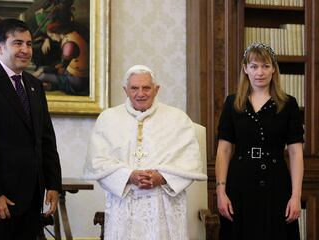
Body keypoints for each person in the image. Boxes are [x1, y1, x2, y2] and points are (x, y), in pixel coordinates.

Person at [0, 18, 62, 240]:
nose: (26, 50)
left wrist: (53, 184)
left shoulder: (34, 85)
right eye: (18, 43)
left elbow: (45, 139)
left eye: (29, 43)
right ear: (0, 47)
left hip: (31, 199)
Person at [83, 65, 207, 240]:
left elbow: (190, 162)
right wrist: (129, 176)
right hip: (124, 205)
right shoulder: (108, 119)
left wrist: (161, 177)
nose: (140, 93)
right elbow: (98, 163)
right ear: (125, 90)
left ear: (156, 89)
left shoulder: (177, 119)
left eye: (146, 88)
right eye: (134, 88)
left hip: (163, 205)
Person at [215, 42, 304, 240]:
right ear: (245, 69)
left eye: (265, 66)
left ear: (274, 69)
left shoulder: (288, 104)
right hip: (239, 185)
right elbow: (224, 150)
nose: (260, 72)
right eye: (254, 66)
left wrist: (296, 196)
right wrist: (221, 191)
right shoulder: (232, 103)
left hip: (277, 186)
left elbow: (295, 152)